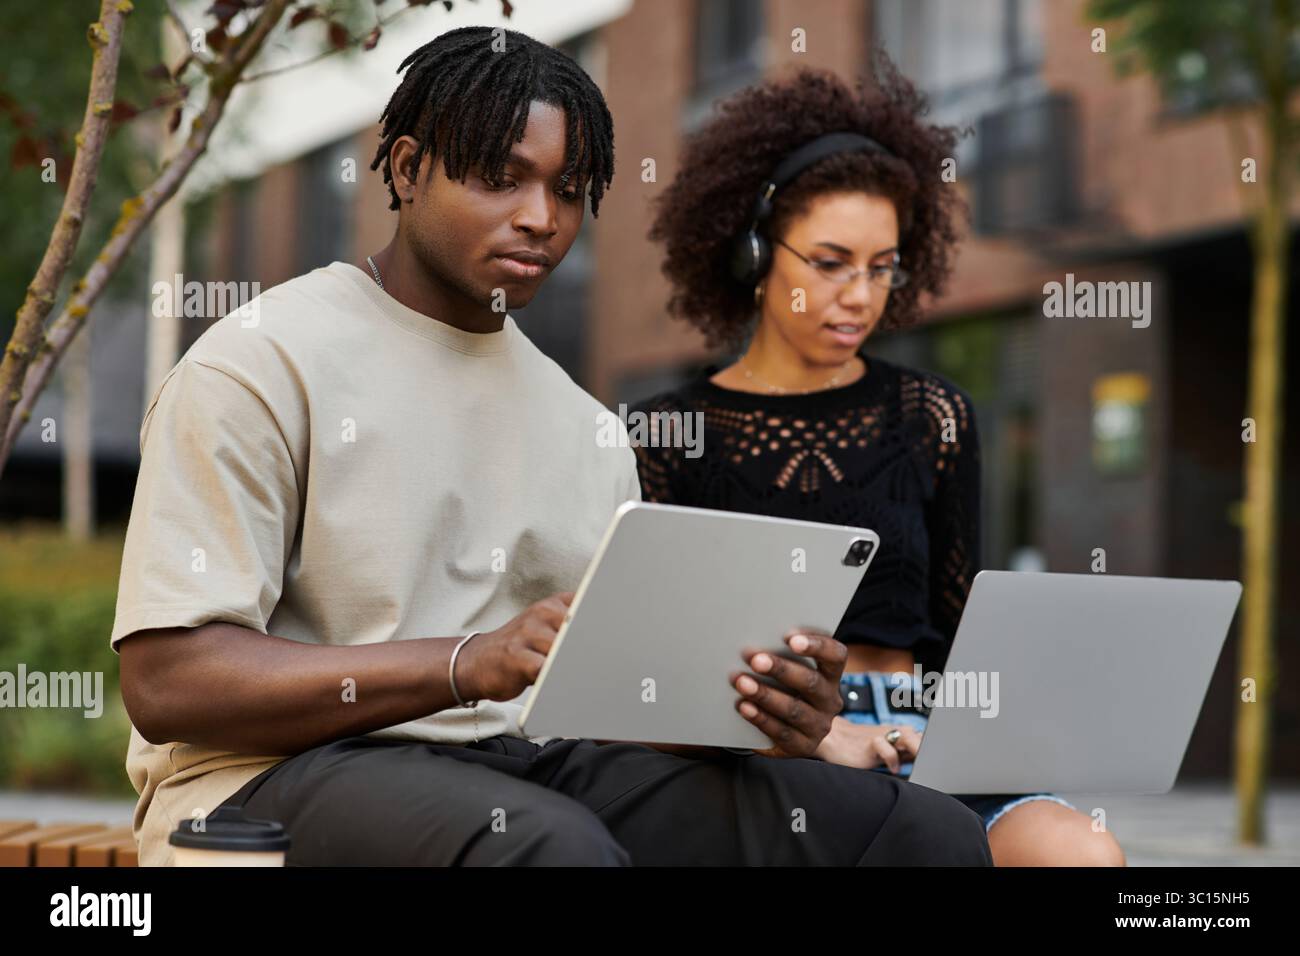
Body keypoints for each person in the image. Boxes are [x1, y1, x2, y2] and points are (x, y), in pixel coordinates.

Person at [111, 27, 992, 867]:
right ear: (409, 169)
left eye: (569, 191)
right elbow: (169, 679)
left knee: (914, 835)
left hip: (521, 767)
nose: (542, 217)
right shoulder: (260, 363)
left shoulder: (584, 423)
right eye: (503, 178)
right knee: (550, 847)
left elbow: (599, 702)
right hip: (260, 783)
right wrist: (462, 664)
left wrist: (766, 714)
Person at [629, 60, 1125, 866]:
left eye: (881, 267)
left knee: (1080, 853)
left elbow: (961, 633)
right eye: (829, 263)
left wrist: (997, 722)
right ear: (754, 253)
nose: (861, 295)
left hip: (922, 736)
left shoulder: (933, 418)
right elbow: (662, 670)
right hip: (761, 755)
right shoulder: (668, 432)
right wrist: (821, 735)